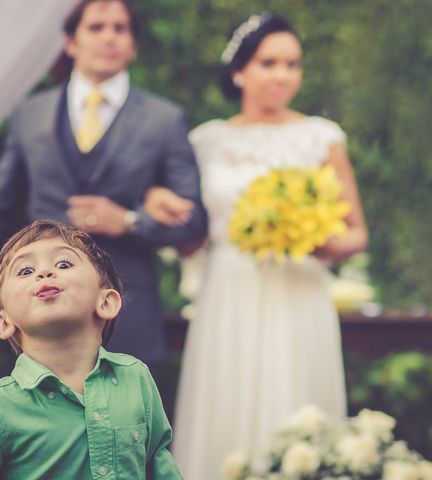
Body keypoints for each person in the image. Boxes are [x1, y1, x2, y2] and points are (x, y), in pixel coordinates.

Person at [157, 14, 368, 478]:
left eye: (292, 64)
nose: (282, 74)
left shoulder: (322, 138)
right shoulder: (206, 141)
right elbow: (190, 229)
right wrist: (162, 206)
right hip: (229, 291)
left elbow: (357, 233)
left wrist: (319, 243)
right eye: (269, 62)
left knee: (296, 395)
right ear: (239, 71)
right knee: (226, 398)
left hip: (299, 290)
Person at [0, 0, 207, 371]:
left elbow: (195, 221)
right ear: (70, 42)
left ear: (132, 45)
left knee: (127, 428)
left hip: (128, 313)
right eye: (96, 27)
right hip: (41, 315)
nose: (109, 37)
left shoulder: (164, 120)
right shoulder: (30, 115)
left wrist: (130, 221)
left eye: (120, 29)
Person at [0, 220, 183, 479]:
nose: (44, 272)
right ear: (4, 322)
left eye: (63, 264)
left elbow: (159, 463)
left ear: (106, 302)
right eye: (24, 271)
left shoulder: (135, 378)